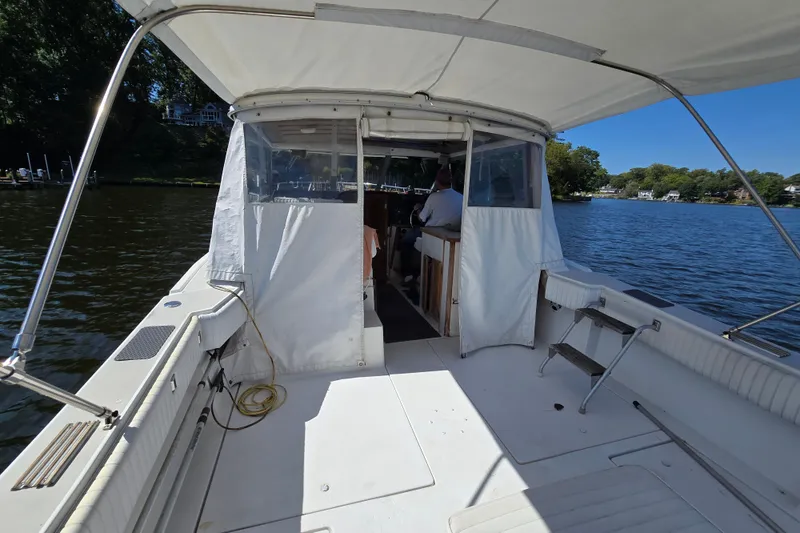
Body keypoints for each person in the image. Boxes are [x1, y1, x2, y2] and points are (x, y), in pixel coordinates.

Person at [400, 168, 463, 287]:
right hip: (450, 233)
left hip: (431, 232)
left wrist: (418, 208)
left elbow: (422, 218)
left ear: (437, 182)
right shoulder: (461, 197)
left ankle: (408, 274)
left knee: (406, 241)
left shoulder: (434, 197)